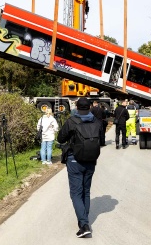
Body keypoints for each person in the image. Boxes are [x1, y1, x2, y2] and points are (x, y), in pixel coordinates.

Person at [57, 97, 103, 238]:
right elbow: (101, 140)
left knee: (76, 193)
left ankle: (84, 225)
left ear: (77, 107)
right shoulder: (97, 121)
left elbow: (60, 139)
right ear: (89, 107)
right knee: (86, 191)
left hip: (74, 160)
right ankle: (84, 220)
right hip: (91, 160)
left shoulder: (72, 121)